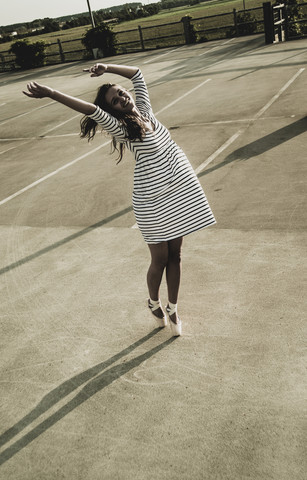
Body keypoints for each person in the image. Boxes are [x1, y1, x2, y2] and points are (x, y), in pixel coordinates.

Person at [23, 63, 216, 337]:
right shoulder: (122, 128)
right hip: (151, 200)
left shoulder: (147, 112)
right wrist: (53, 93)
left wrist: (106, 68)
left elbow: (137, 74)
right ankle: (153, 302)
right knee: (159, 259)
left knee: (177, 255)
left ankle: (173, 307)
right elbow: (92, 111)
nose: (123, 98)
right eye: (116, 100)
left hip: (177, 191)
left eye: (122, 93)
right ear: (113, 110)